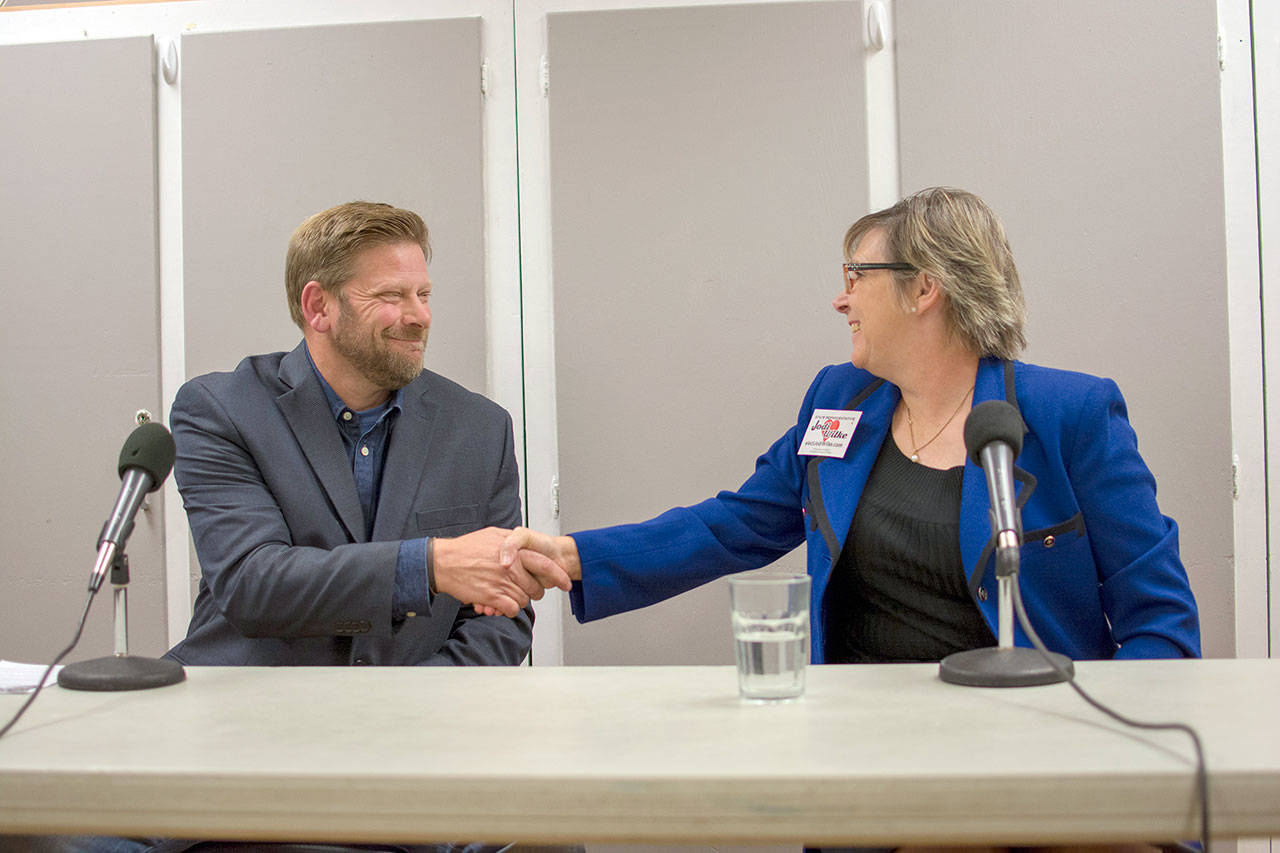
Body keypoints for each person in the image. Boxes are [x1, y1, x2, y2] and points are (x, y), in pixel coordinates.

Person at [504, 186, 1200, 667]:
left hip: (1030, 743)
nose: (841, 299)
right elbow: (733, 525)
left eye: (856, 275)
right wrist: (573, 557)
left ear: (925, 287)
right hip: (863, 745)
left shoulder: (1070, 414)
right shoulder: (840, 400)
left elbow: (1162, 623)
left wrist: (1091, 763)